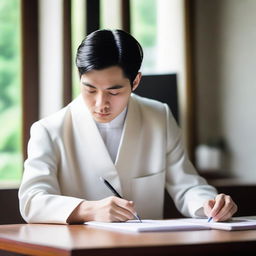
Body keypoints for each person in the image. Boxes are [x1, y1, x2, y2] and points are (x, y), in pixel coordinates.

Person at [18, 29, 237, 224]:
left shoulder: (159, 116)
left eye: (114, 92)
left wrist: (210, 204)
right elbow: (32, 201)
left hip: (144, 249)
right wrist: (88, 210)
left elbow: (187, 185)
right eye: (90, 89)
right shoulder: (49, 129)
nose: (100, 103)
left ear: (136, 82)